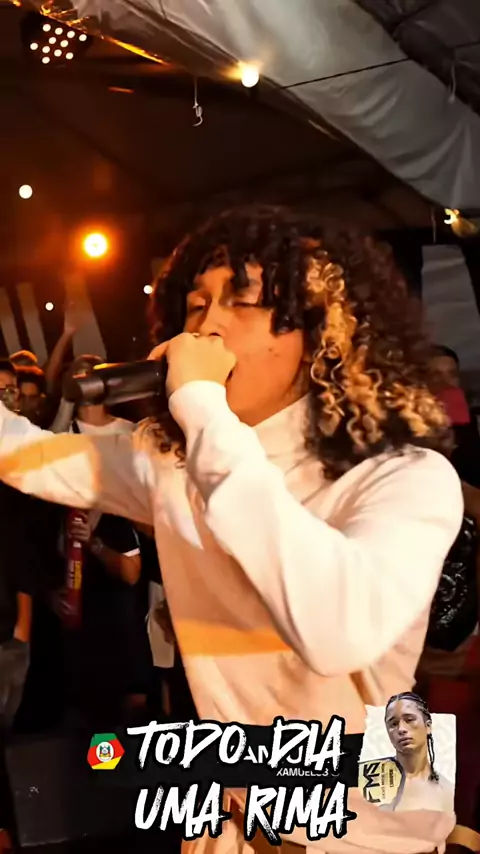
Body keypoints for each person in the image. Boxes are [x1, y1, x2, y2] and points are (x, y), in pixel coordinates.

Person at [0, 205, 463, 854]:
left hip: (376, 836)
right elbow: (23, 453)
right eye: (196, 305)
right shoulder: (177, 465)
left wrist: (201, 408)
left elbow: (337, 632)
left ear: (318, 332)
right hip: (234, 822)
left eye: (242, 302)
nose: (208, 325)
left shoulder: (406, 475)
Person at [382, 692, 454, 813]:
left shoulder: (447, 793)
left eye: (409, 720)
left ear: (428, 726)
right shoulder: (371, 781)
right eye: (393, 724)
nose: (401, 729)